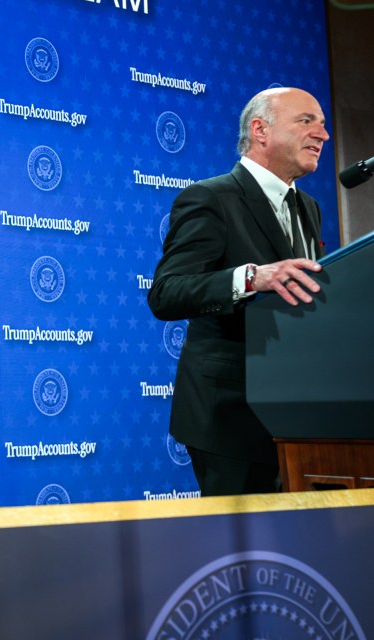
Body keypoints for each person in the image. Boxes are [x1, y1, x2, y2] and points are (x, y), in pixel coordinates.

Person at [147, 87, 330, 496]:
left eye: (322, 123)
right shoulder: (210, 198)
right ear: (260, 130)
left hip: (297, 411)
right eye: (307, 121)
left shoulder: (309, 207)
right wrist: (252, 278)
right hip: (231, 415)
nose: (323, 134)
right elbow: (167, 292)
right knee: (245, 552)